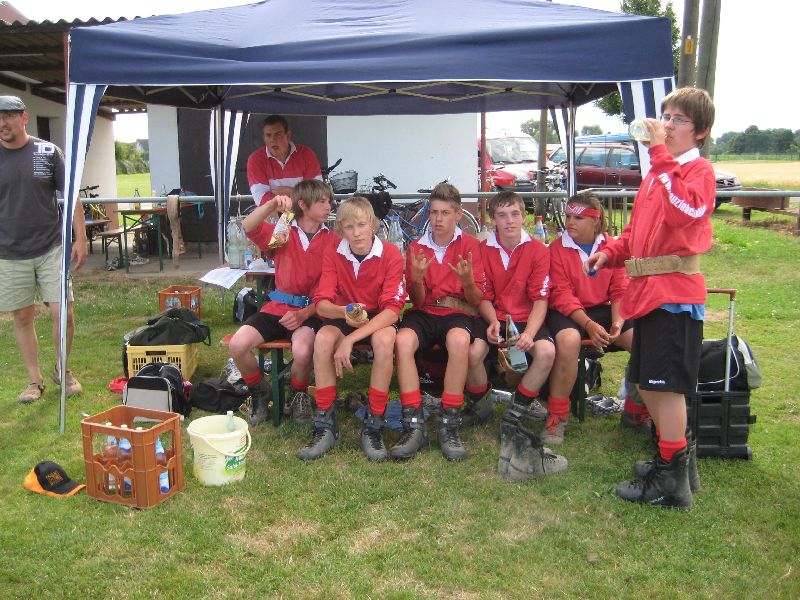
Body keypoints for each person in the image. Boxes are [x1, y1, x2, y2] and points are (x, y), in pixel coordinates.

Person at [585, 87, 717, 510]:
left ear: (700, 131)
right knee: (647, 383)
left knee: (666, 387)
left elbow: (684, 212)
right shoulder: (659, 174)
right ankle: (676, 462)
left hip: (674, 296)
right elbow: (636, 234)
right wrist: (609, 253)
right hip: (650, 296)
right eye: (666, 116)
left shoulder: (696, 171)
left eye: (679, 119)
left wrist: (659, 154)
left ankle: (671, 480)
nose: (667, 125)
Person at [298, 196, 405, 461]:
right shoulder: (334, 253)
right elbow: (322, 305)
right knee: (323, 339)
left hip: (379, 315)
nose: (356, 233)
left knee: (384, 342)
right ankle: (326, 424)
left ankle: (374, 424)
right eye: (349, 227)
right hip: (345, 312)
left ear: (373, 225)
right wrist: (346, 312)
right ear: (341, 230)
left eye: (361, 225)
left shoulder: (391, 253)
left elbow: (393, 310)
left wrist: (349, 340)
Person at [470, 191, 567, 480]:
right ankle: (481, 406)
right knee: (473, 353)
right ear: (493, 220)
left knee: (546, 352)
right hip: (495, 316)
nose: (509, 221)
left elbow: (540, 300)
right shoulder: (482, 249)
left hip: (527, 318)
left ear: (523, 216)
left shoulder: (538, 250)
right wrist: (492, 321)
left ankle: (515, 412)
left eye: (514, 214)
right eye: (502, 215)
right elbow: (483, 295)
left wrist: (530, 334)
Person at [228, 179, 337, 425]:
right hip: (278, 307)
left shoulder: (332, 240)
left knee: (302, 350)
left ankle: (297, 394)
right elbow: (249, 227)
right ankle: (259, 390)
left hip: (312, 310)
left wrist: (304, 314)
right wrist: (271, 206)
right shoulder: (284, 230)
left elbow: (334, 290)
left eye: (329, 201)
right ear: (303, 205)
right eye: (321, 201)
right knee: (238, 345)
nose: (328, 206)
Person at [0, 95, 87, 403]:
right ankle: (34, 381)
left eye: (8, 116)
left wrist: (80, 238)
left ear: (24, 117)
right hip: (9, 252)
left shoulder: (48, 152)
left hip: (51, 247)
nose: (2, 123)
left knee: (63, 312)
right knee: (22, 316)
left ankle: (63, 370)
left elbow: (72, 194)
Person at [393, 182, 485, 461]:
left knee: (459, 341)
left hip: (457, 311)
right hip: (426, 312)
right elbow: (417, 301)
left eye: (445, 213)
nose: (438, 219)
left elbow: (477, 299)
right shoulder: (417, 246)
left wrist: (467, 282)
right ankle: (413, 422)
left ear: (458, 214)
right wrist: (417, 280)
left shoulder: (471, 246)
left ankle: (449, 422)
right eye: (434, 212)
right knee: (402, 341)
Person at [546, 192, 633, 445]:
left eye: (578, 217)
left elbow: (620, 289)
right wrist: (589, 324)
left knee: (641, 340)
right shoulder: (556, 249)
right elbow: (561, 295)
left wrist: (617, 323)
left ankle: (638, 409)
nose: (570, 222)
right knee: (569, 341)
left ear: (595, 221)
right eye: (568, 216)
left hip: (602, 310)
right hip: (568, 312)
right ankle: (557, 416)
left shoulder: (611, 247)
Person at [246, 115, 322, 206]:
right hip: (277, 214)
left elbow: (317, 194)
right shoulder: (256, 160)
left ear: (288, 135)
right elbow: (261, 200)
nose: (272, 140)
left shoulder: (307, 155)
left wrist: (293, 192)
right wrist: (298, 195)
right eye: (268, 135)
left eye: (277, 135)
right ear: (263, 137)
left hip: (301, 214)